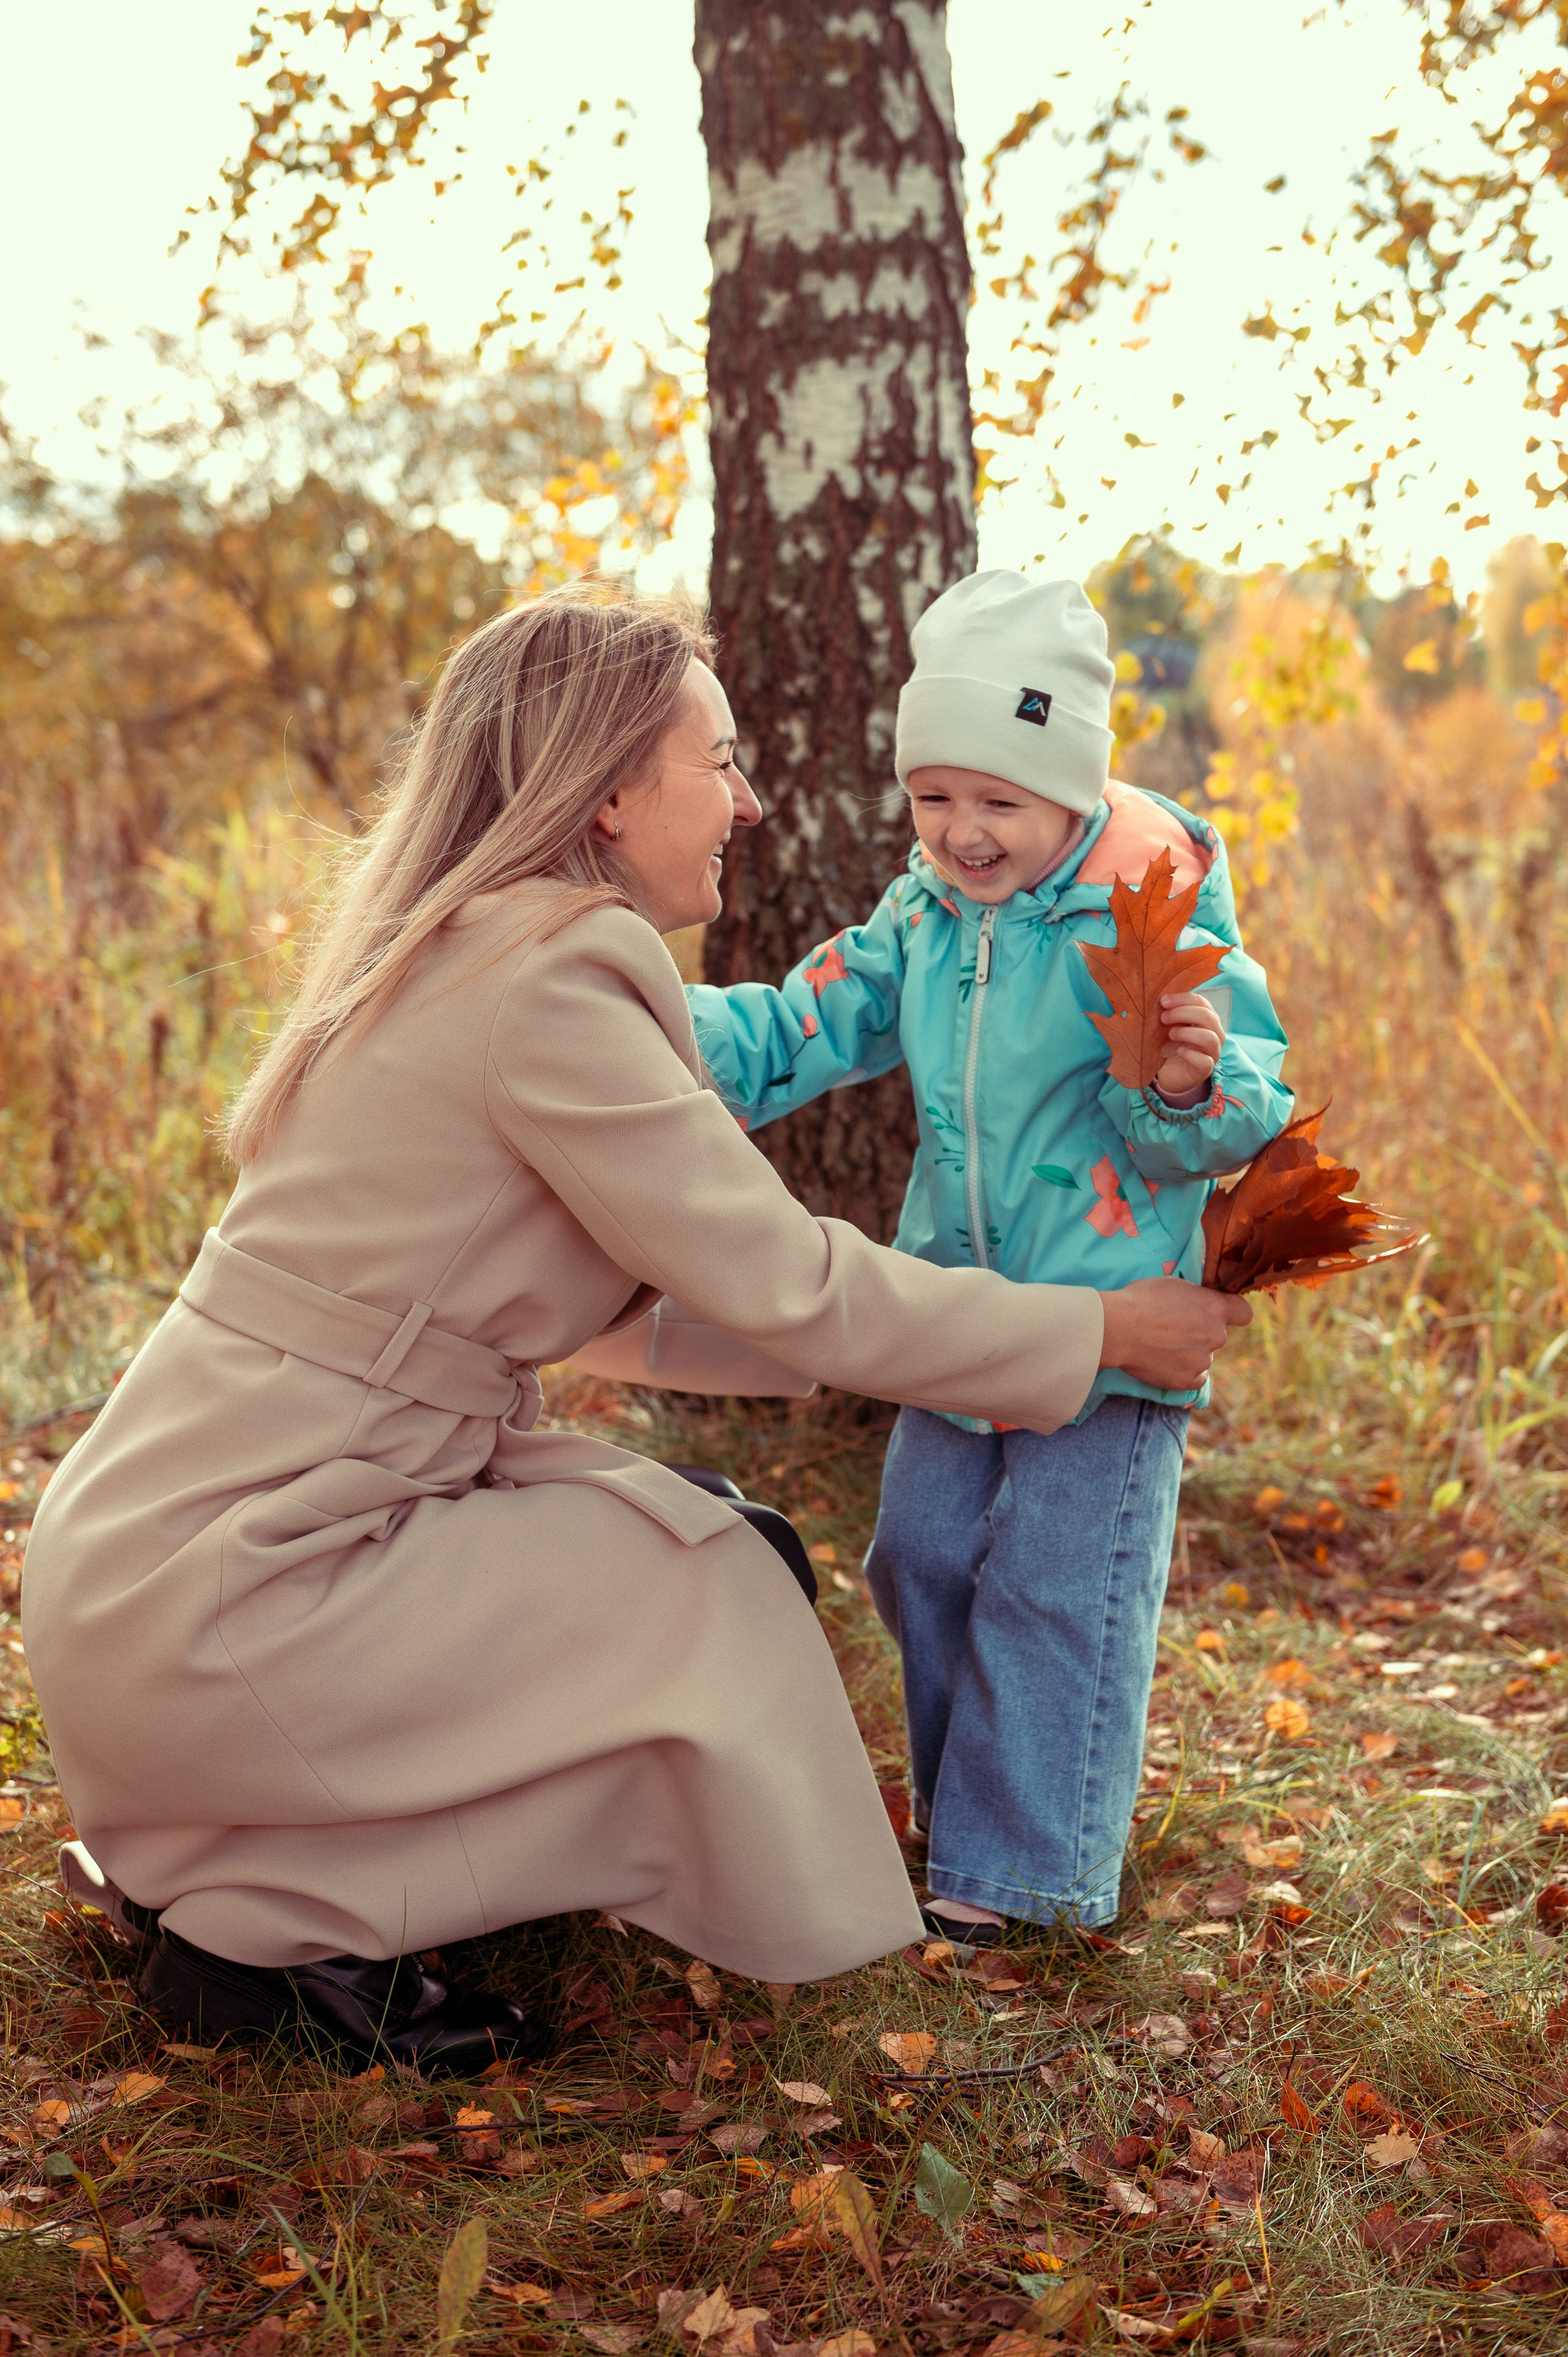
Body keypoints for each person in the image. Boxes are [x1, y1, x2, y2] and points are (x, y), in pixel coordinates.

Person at [22, 584, 1247, 2074]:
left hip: (171, 1563)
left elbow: (662, 1309)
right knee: (713, 1585)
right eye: (716, 758)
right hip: (253, 1577)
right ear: (609, 790)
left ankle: (248, 1856)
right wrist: (1094, 1329)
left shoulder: (465, 943)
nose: (746, 797)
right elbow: (789, 1282)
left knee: (705, 1531)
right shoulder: (552, 977)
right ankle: (275, 1918)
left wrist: (903, 1340)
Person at [688, 570, 1290, 1948]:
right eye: (932, 797)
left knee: (1052, 1582)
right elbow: (799, 1026)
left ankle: (1024, 1868)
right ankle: (973, 1814)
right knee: (923, 1556)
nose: (960, 833)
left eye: (998, 801)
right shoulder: (922, 921)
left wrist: (1193, 1086)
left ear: (1069, 789)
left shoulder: (1148, 911)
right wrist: (644, 1025)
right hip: (958, 1322)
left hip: (1112, 1326)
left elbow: (1242, 1105)